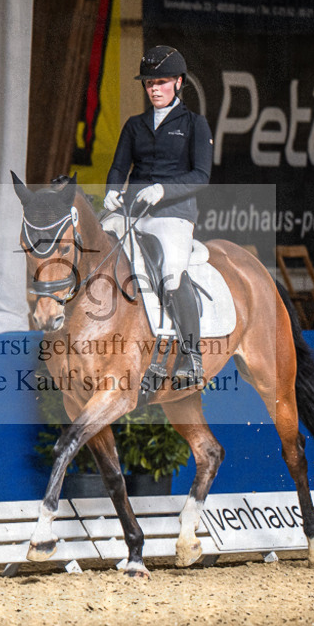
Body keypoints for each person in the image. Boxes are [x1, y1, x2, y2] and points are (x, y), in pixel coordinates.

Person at [103, 45, 213, 384]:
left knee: (171, 272)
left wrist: (163, 189)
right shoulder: (135, 126)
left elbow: (201, 176)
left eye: (161, 82)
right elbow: (119, 167)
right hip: (133, 211)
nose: (154, 89)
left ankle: (191, 355)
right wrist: (111, 190)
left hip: (174, 214)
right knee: (98, 250)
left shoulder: (195, 125)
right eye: (149, 83)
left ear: (179, 83)